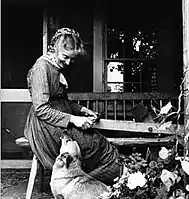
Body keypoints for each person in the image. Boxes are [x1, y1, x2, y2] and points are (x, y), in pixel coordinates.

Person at [24, 27, 122, 185]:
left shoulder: (56, 67)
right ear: (54, 48)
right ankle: (79, 183)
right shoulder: (42, 67)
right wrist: (74, 120)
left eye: (72, 59)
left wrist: (83, 110)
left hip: (60, 119)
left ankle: (81, 182)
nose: (68, 62)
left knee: (99, 144)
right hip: (46, 125)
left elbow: (62, 101)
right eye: (65, 57)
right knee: (95, 145)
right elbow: (41, 109)